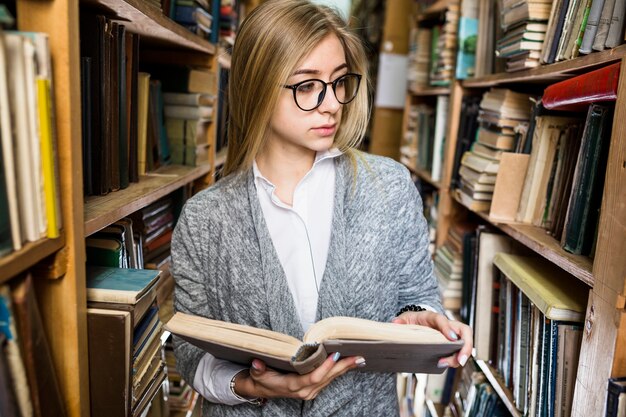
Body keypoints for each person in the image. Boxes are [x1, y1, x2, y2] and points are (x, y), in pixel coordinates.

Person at [171, 1, 473, 416]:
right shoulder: (204, 220)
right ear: (257, 86)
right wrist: (249, 384)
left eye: (338, 82)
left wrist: (421, 318)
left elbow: (417, 295)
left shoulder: (389, 187)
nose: (331, 103)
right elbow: (191, 353)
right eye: (308, 85)